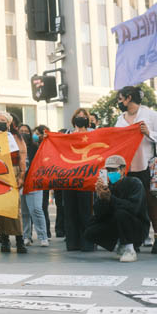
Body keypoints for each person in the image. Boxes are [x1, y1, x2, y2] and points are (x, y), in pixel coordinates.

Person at [115, 85, 157, 254]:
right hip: (126, 168)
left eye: (120, 98)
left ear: (129, 98)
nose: (119, 102)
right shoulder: (120, 119)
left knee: (151, 201)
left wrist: (148, 132)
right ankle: (134, 239)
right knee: (130, 204)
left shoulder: (150, 115)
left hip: (146, 165)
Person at [84, 155, 149, 262]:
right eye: (108, 170)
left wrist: (111, 198)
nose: (111, 173)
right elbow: (100, 215)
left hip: (137, 226)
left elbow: (133, 208)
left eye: (114, 169)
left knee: (121, 213)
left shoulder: (134, 183)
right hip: (119, 223)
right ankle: (120, 244)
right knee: (91, 229)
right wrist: (101, 198)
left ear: (123, 169)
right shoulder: (108, 186)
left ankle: (129, 248)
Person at [0, 112, 27, 254]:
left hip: (13, 172)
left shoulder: (16, 138)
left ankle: (19, 240)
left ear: (9, 123)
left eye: (3, 120)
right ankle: (4, 239)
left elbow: (22, 157)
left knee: (14, 208)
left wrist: (22, 175)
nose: (0, 122)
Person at [62, 108, 94, 252]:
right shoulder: (66, 134)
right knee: (70, 210)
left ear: (88, 120)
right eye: (78, 116)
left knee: (86, 210)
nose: (81, 119)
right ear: (73, 119)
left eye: (83, 116)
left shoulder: (93, 134)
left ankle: (87, 242)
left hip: (86, 178)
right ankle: (73, 243)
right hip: (69, 178)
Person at [20, 125, 49, 247]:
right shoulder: (14, 147)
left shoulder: (36, 147)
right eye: (21, 131)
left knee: (36, 209)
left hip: (35, 183)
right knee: (25, 212)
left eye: (27, 131)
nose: (24, 133)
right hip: (21, 183)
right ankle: (26, 236)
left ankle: (43, 237)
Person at [34, 125, 54, 238]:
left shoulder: (48, 146)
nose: (36, 136)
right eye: (35, 133)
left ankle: (46, 232)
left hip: (44, 181)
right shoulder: (32, 146)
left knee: (43, 208)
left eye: (39, 134)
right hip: (34, 180)